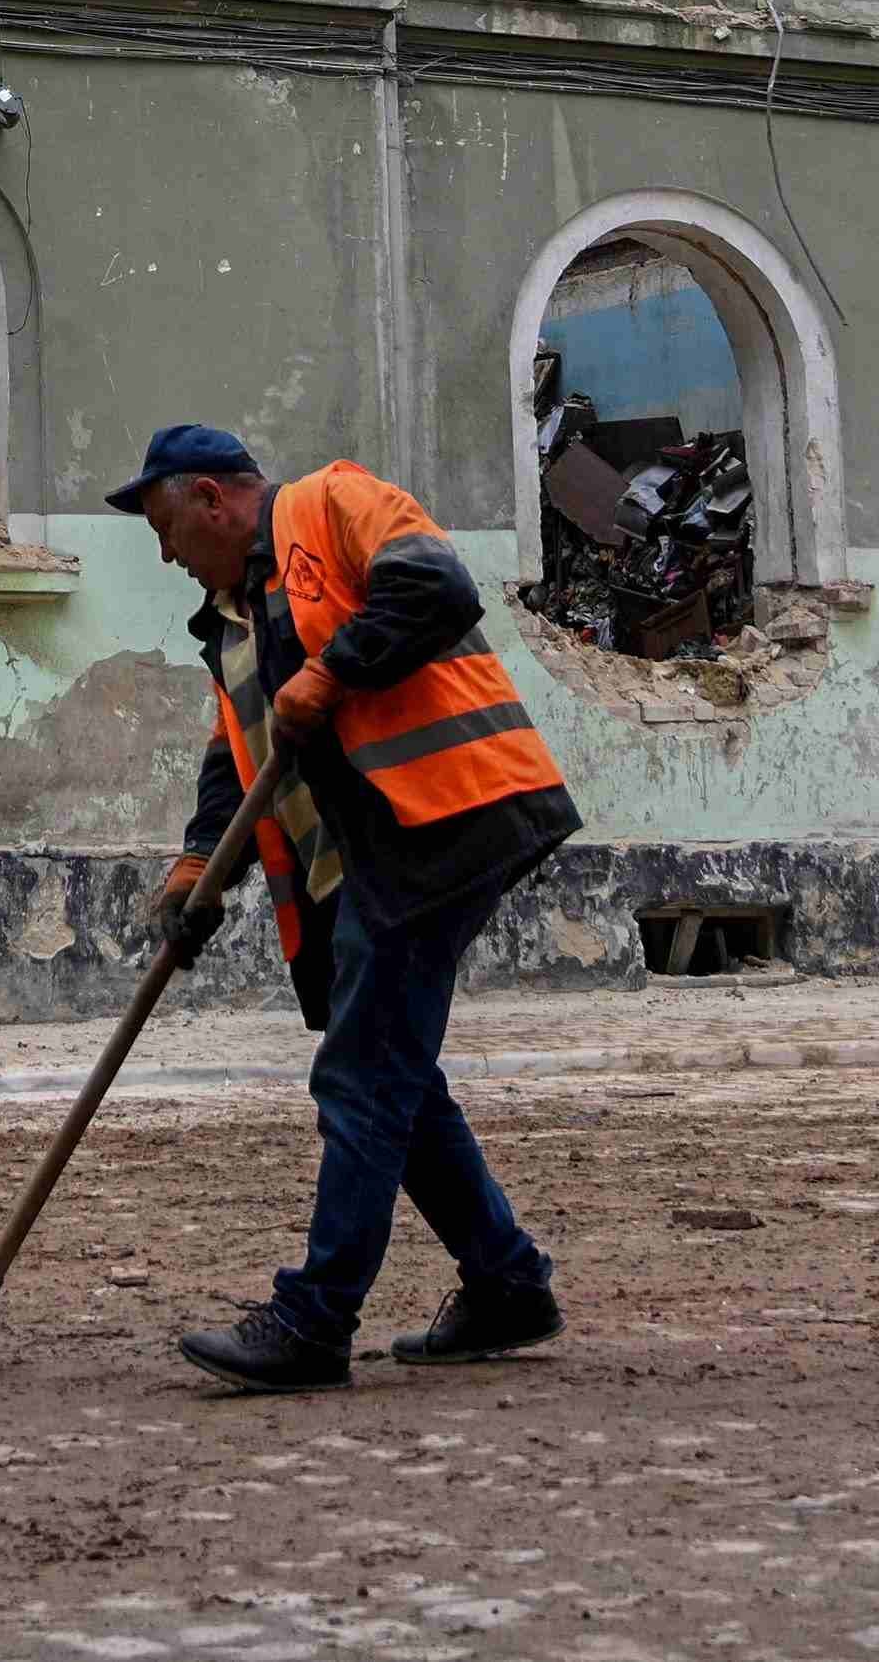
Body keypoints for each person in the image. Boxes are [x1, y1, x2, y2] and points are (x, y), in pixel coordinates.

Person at [108, 420, 579, 1392]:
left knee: (363, 1073)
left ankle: (315, 1323)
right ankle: (506, 1284)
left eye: (165, 526)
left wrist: (330, 672)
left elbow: (437, 588)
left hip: (447, 817)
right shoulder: (236, 621)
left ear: (211, 499)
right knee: (399, 1077)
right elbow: (232, 755)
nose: (164, 553)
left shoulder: (334, 502)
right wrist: (200, 867)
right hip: (357, 863)